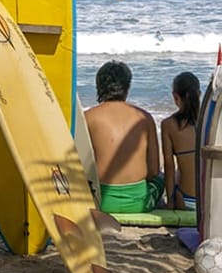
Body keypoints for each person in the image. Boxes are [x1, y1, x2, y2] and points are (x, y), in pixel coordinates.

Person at [84, 61, 163, 213]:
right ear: (127, 87)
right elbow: (153, 170)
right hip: (139, 203)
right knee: (161, 179)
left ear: (99, 86)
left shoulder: (87, 117)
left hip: (100, 201)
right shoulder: (144, 117)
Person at [161, 72, 200, 210]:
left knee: (172, 173)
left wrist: (170, 201)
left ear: (175, 97)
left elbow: (169, 166)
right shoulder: (209, 119)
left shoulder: (168, 124)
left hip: (186, 200)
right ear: (199, 94)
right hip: (209, 199)